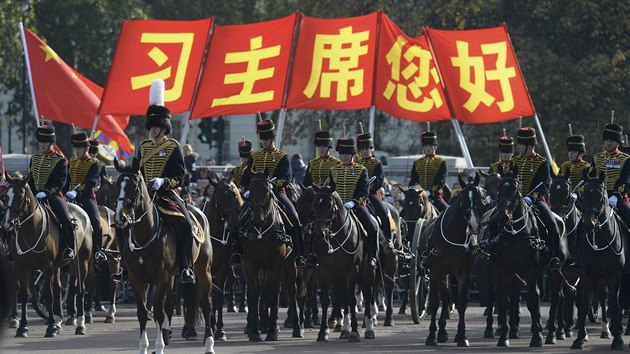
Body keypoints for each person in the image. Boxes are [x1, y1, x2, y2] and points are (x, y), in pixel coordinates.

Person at [137, 78, 195, 284]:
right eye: (151, 126)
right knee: (123, 222)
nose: (152, 130)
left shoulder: (173, 146)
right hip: (144, 196)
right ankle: (126, 266)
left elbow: (180, 176)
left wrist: (163, 182)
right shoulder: (143, 146)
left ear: (164, 127)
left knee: (186, 224)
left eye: (156, 126)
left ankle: (186, 267)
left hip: (166, 194)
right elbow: (138, 171)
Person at [236, 119, 306, 268]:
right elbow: (244, 179)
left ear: (273, 139)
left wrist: (273, 185)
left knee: (295, 218)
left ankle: (300, 255)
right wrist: (249, 187)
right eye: (262, 139)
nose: (264, 142)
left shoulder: (282, 156)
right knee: (239, 218)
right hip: (256, 194)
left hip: (276, 193)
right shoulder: (254, 156)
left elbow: (286, 178)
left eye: (266, 139)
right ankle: (237, 251)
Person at [511, 127, 562, 270]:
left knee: (553, 225)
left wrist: (530, 198)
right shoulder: (514, 162)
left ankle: (554, 257)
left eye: (520, 144)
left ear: (529, 145)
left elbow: (544, 186)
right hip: (515, 201)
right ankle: (493, 249)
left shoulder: (542, 162)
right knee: (494, 219)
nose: (518, 147)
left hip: (535, 201)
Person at [28, 125, 75, 263]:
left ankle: (69, 248)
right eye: (40, 141)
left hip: (52, 195)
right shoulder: (35, 158)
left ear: (51, 143)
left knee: (65, 220)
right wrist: (32, 192)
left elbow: (61, 181)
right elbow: (30, 178)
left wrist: (46, 192)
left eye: (45, 142)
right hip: (34, 195)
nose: (42, 144)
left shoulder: (59, 160)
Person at [329, 137, 378, 269]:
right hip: (337, 208)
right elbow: (331, 189)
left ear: (353, 155)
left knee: (372, 227)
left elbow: (364, 192)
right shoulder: (334, 170)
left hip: (355, 206)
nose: (344, 157)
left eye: (347, 154)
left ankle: (372, 257)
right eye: (342, 154)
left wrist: (354, 203)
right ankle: (313, 255)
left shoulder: (361, 170)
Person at [66, 131, 106, 264]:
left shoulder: (94, 163)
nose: (77, 151)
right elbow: (66, 181)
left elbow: (91, 182)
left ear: (87, 148)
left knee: (96, 221)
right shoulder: (71, 163)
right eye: (75, 148)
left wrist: (77, 192)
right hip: (70, 198)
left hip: (86, 197)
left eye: (79, 148)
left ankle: (97, 251)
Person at [357, 132, 393, 245]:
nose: (365, 151)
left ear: (372, 150)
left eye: (367, 149)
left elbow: (379, 180)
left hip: (372, 194)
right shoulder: (356, 163)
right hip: (357, 196)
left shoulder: (377, 163)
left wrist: (368, 190)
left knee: (383, 212)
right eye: (362, 149)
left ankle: (388, 238)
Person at [592, 123, 630, 227]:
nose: (608, 143)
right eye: (606, 140)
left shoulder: (626, 159)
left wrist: (616, 196)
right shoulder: (597, 158)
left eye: (612, 141)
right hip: (597, 197)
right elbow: (590, 178)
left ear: (618, 143)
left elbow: (626, 180)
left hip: (617, 198)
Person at [408, 131, 448, 212]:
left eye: (430, 146)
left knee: (447, 212)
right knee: (403, 213)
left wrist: (431, 190)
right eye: (426, 146)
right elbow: (414, 179)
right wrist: (415, 190)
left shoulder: (441, 161)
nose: (428, 148)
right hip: (418, 195)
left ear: (435, 147)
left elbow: (441, 180)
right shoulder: (417, 162)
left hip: (434, 195)